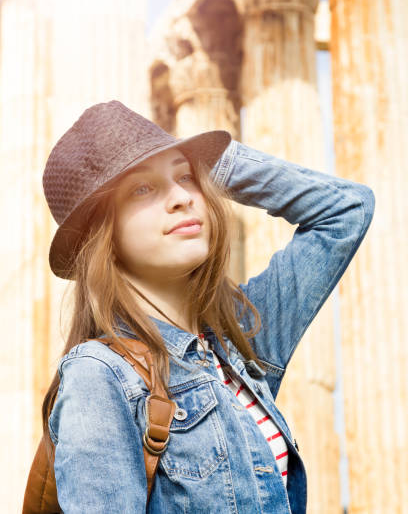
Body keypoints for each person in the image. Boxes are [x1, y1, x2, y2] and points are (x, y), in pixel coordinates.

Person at [41, 99, 375, 514]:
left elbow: (347, 209)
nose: (182, 196)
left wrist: (214, 164)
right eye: (142, 188)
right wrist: (185, 163)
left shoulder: (240, 336)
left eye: (186, 178)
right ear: (102, 233)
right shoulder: (100, 374)